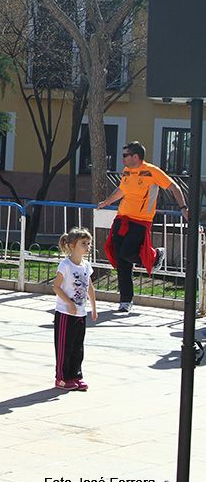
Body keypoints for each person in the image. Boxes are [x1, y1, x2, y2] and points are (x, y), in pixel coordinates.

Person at [97, 141, 182, 313]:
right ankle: (125, 300)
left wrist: (183, 208)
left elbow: (175, 187)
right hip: (122, 218)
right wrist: (107, 202)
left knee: (126, 253)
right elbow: (121, 190)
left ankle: (155, 255)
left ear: (135, 156)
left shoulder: (152, 171)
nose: (123, 159)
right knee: (121, 260)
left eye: (125, 155)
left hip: (140, 221)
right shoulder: (127, 171)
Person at [52, 228, 97, 391]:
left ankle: (76, 376)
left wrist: (93, 307)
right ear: (72, 246)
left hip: (80, 313)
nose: (87, 246)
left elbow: (89, 287)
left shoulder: (86, 266)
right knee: (65, 346)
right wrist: (69, 303)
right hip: (65, 313)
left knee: (78, 346)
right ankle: (62, 378)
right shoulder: (65, 265)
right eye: (83, 243)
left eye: (88, 243)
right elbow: (56, 287)